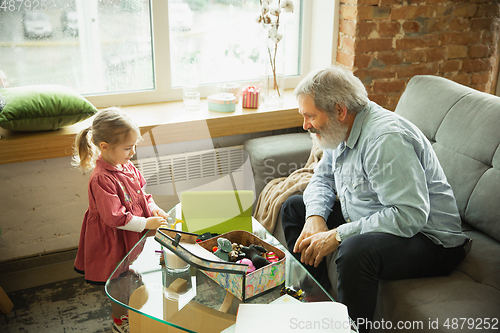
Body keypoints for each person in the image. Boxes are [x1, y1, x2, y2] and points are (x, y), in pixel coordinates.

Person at [280, 66, 470, 333]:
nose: (305, 125)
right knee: (294, 208)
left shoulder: (385, 139)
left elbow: (409, 215)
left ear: (339, 110)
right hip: (378, 219)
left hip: (429, 240)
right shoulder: (340, 130)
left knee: (353, 251)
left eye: (310, 116)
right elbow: (321, 179)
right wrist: (315, 219)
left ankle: (350, 330)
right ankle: (316, 303)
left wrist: (336, 235)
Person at [72, 107, 169, 333]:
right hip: (113, 240)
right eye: (127, 148)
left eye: (134, 146)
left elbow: (142, 195)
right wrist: (146, 224)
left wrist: (153, 209)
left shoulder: (126, 166)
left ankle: (135, 303)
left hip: (128, 233)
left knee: (131, 277)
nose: (133, 152)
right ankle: (119, 321)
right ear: (104, 147)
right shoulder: (101, 179)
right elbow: (115, 217)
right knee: (119, 286)